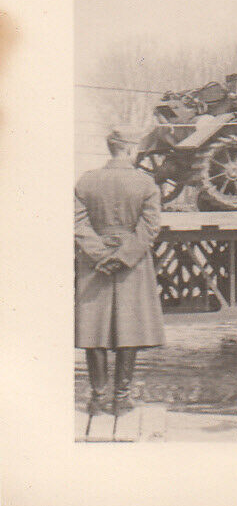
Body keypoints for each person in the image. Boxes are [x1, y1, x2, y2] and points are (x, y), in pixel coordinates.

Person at [75, 126, 164, 415]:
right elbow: (149, 228)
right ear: (130, 149)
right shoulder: (146, 184)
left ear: (111, 148)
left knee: (93, 329)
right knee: (130, 329)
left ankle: (97, 400)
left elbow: (76, 224)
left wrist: (101, 255)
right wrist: (124, 257)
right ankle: (121, 399)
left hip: (94, 262)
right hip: (133, 263)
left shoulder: (86, 181)